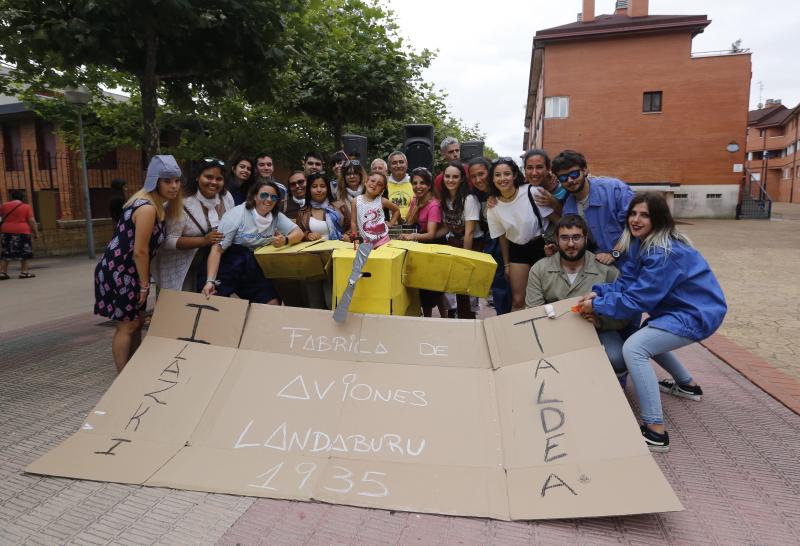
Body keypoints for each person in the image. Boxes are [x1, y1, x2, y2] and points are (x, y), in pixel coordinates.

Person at [578, 193, 727, 452]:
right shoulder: (640, 243)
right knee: (647, 334)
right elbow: (628, 281)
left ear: (657, 219)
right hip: (679, 309)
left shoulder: (662, 251)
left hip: (697, 313)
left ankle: (655, 430)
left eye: (644, 215)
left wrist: (598, 305)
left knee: (635, 348)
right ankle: (687, 385)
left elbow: (638, 300)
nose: (636, 220)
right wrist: (600, 292)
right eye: (633, 214)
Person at [94, 155, 183, 372]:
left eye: (177, 181)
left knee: (138, 320)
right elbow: (140, 251)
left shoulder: (151, 204)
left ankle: (133, 369)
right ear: (155, 181)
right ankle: (123, 376)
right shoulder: (147, 208)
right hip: (121, 272)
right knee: (129, 324)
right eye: (167, 181)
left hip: (126, 271)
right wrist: (145, 284)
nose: (173, 186)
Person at [526, 214, 629, 384]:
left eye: (576, 237)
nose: (571, 244)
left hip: (597, 331)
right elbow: (533, 311)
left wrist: (600, 322)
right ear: (557, 240)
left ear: (586, 238)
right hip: (554, 331)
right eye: (565, 238)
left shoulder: (607, 270)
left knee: (617, 358)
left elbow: (624, 313)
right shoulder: (540, 269)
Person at [201, 180, 303, 304]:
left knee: (272, 302)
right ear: (254, 196)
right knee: (217, 301)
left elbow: (299, 233)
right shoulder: (236, 215)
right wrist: (210, 281)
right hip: (228, 262)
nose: (269, 200)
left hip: (253, 265)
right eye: (264, 195)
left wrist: (285, 240)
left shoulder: (276, 216)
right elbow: (217, 249)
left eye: (274, 197)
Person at [486, 157, 558, 312]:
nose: (502, 178)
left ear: (514, 175)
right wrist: (506, 265)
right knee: (518, 300)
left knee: (546, 298)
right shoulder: (493, 206)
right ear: (492, 179)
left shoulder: (532, 191)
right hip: (517, 249)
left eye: (507, 174)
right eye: (497, 175)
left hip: (542, 247)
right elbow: (502, 237)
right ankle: (516, 336)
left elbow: (557, 220)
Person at [155, 158, 234, 292]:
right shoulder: (181, 203)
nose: (213, 182)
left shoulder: (226, 198)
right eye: (208, 177)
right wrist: (203, 241)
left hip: (214, 263)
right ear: (197, 177)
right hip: (182, 265)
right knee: (182, 306)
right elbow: (167, 241)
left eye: (219, 178)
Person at [552, 150, 633, 265]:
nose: (570, 180)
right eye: (563, 177)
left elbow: (634, 228)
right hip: (602, 268)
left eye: (574, 174)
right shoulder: (568, 209)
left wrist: (614, 253)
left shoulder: (615, 189)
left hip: (634, 263)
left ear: (585, 170)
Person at [399, 167, 447, 317]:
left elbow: (431, 234)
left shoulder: (434, 205)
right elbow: (409, 221)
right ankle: (432, 319)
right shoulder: (415, 200)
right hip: (421, 246)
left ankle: (438, 320)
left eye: (422, 183)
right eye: (414, 183)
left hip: (434, 248)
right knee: (427, 290)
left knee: (432, 291)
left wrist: (412, 236)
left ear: (429, 185)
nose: (418, 187)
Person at [440, 160, 484, 319]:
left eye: (455, 177)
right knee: (454, 285)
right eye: (447, 176)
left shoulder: (469, 199)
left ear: (462, 179)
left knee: (467, 285)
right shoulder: (445, 198)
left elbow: (470, 232)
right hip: (454, 242)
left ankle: (468, 318)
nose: (450, 180)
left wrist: (465, 258)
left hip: (471, 245)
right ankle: (454, 315)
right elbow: (447, 227)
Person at [468, 157, 511, 315]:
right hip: (493, 244)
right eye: (473, 176)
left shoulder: (503, 190)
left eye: (481, 174)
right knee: (500, 288)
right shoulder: (475, 196)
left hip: (511, 243)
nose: (478, 180)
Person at [296, 172, 350, 242]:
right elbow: (297, 234)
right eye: (314, 186)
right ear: (309, 190)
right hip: (313, 252)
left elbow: (351, 228)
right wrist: (307, 236)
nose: (319, 190)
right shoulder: (302, 213)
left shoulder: (341, 207)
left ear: (328, 189)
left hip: (340, 250)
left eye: (322, 186)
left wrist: (347, 236)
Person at [351, 172, 400, 248]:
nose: (374, 184)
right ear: (366, 181)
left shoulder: (382, 201)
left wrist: (391, 223)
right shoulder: (355, 201)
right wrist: (355, 238)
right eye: (373, 181)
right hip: (365, 242)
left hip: (383, 242)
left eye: (379, 184)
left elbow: (396, 210)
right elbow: (353, 222)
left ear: (382, 190)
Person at [0, 189, 39, 280]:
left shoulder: (4, 205)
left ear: (12, 197)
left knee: (6, 252)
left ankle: (2, 273)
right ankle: (24, 272)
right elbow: (32, 221)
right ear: (22, 197)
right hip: (22, 231)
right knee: (24, 252)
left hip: (6, 231)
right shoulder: (26, 207)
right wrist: (36, 233)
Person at [523, 149, 566, 214]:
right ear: (525, 170)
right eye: (529, 168)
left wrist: (554, 203)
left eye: (539, 167)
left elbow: (573, 218)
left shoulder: (564, 189)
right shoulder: (522, 187)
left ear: (548, 168)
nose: (534, 173)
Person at [387, 151, 413, 220]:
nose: (398, 165)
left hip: (410, 226)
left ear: (406, 165)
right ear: (389, 167)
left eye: (401, 162)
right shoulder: (383, 184)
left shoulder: (414, 183)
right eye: (394, 163)